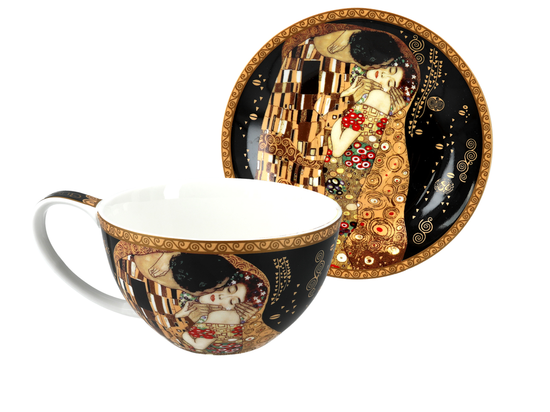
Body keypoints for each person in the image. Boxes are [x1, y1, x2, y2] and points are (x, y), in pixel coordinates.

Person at [255, 23, 420, 270]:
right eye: (388, 70)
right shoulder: (367, 93)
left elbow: (340, 142)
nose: (383, 75)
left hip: (341, 170)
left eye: (390, 79)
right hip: (339, 168)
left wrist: (339, 115)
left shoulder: (376, 99)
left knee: (334, 217)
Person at [176, 270, 268, 354]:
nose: (222, 296)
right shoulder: (188, 297)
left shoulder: (224, 315)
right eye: (229, 290)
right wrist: (181, 315)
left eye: (232, 302)